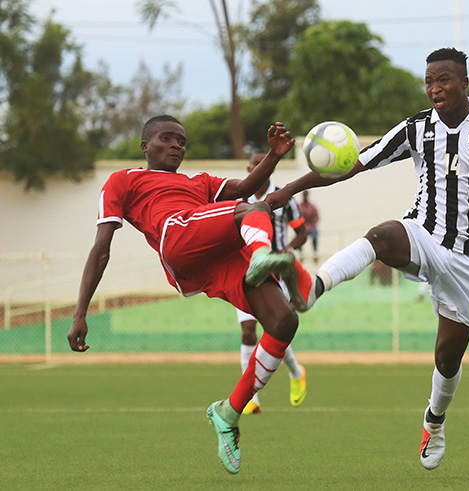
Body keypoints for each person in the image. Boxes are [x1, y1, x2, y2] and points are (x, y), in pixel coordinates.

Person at [268, 47, 469, 470]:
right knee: (383, 235)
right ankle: (314, 285)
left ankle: (434, 421)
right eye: (429, 82)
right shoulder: (416, 127)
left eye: (443, 80)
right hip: (422, 232)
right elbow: (356, 162)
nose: (435, 88)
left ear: (464, 82)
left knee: (447, 358)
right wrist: (287, 190)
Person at [68, 115, 299, 475]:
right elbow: (101, 247)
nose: (177, 145)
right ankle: (261, 255)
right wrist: (80, 312)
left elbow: (243, 186)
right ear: (146, 146)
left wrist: (274, 155)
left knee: (284, 322)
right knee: (254, 210)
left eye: (182, 141)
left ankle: (229, 412)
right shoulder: (124, 180)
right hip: (176, 239)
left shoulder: (200, 182)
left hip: (213, 257)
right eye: (167, 138)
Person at [234, 153, 309, 414]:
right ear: (250, 169)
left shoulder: (283, 197)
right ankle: (250, 399)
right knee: (247, 332)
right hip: (244, 270)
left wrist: (287, 250)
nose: (259, 170)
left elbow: (302, 233)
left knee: (275, 330)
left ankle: (296, 372)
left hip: (275, 270)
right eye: (255, 166)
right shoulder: (239, 199)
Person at [298, 190, 320, 263]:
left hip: (311, 227)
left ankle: (315, 252)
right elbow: (296, 217)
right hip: (302, 227)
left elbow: (316, 217)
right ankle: (301, 254)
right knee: (298, 237)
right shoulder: (299, 206)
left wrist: (313, 224)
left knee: (315, 235)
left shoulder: (312, 206)